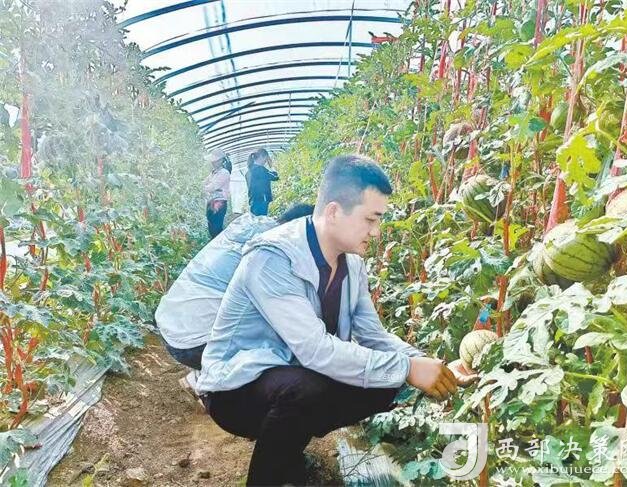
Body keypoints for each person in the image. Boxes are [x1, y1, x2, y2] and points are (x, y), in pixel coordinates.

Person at [196, 154, 476, 486]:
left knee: (381, 385)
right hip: (234, 390)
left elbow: (374, 337)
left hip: (292, 375)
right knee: (307, 390)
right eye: (370, 219)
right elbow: (315, 350)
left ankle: (288, 455)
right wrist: (406, 369)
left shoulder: (352, 265)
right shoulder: (272, 258)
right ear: (333, 212)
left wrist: (429, 366)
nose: (376, 231)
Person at [155, 203, 315, 376]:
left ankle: (207, 372)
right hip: (195, 345)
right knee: (289, 343)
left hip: (169, 327)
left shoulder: (248, 226)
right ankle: (213, 378)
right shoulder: (274, 249)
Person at [203, 149, 231, 238]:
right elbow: (204, 182)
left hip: (219, 203)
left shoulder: (224, 173)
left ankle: (220, 243)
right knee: (211, 227)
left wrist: (203, 188)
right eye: (212, 161)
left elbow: (213, 186)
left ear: (221, 160)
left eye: (215, 160)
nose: (213, 162)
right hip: (212, 201)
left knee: (216, 228)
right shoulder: (213, 173)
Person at [246, 148, 279, 216]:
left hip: (253, 200)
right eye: (266, 159)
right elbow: (275, 177)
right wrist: (271, 166)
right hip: (262, 200)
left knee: (255, 219)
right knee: (261, 219)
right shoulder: (261, 170)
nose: (265, 162)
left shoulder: (248, 173)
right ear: (261, 157)